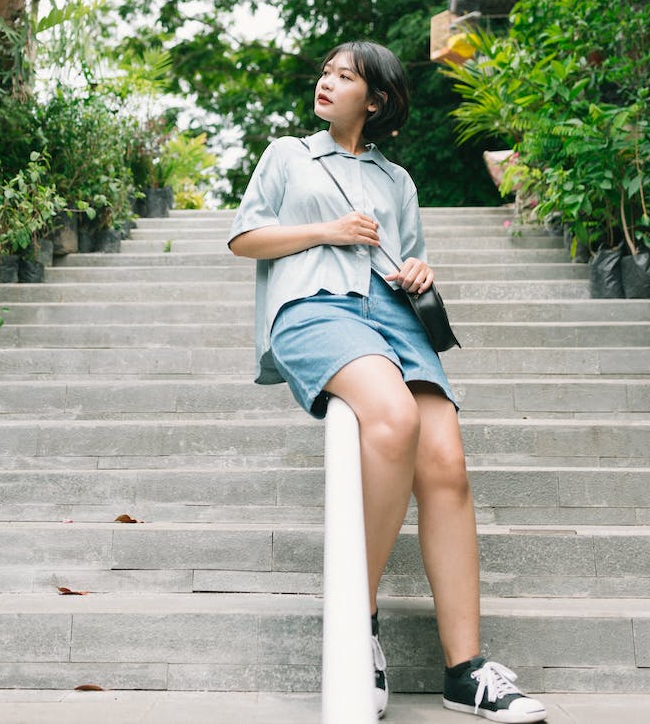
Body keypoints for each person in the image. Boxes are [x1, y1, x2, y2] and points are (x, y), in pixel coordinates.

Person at [228, 40, 547, 723]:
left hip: (395, 317)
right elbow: (246, 236)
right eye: (326, 72)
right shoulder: (288, 154)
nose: (328, 82)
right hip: (315, 307)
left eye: (346, 76)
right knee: (393, 418)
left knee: (447, 464)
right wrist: (328, 230)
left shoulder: (396, 180)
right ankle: (357, 619)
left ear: (374, 100)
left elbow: (410, 255)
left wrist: (419, 272)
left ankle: (465, 671)